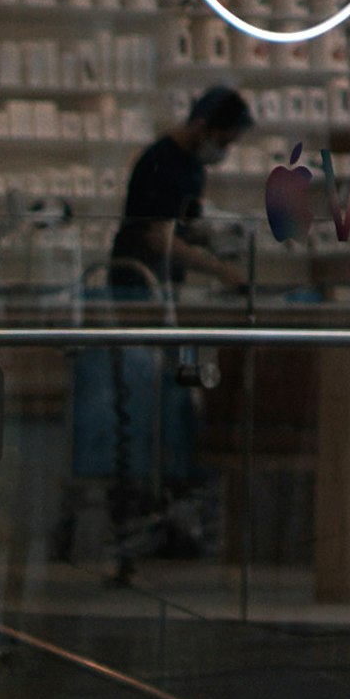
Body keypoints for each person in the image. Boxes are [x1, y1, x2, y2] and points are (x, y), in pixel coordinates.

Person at [74, 79, 253, 580]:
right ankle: (136, 515)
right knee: (143, 402)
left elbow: (184, 226)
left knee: (176, 397)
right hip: (137, 290)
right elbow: (159, 236)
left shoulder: (192, 169)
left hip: (163, 296)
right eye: (224, 139)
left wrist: (216, 241)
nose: (223, 151)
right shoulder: (159, 163)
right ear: (202, 126)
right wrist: (221, 271)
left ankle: (170, 511)